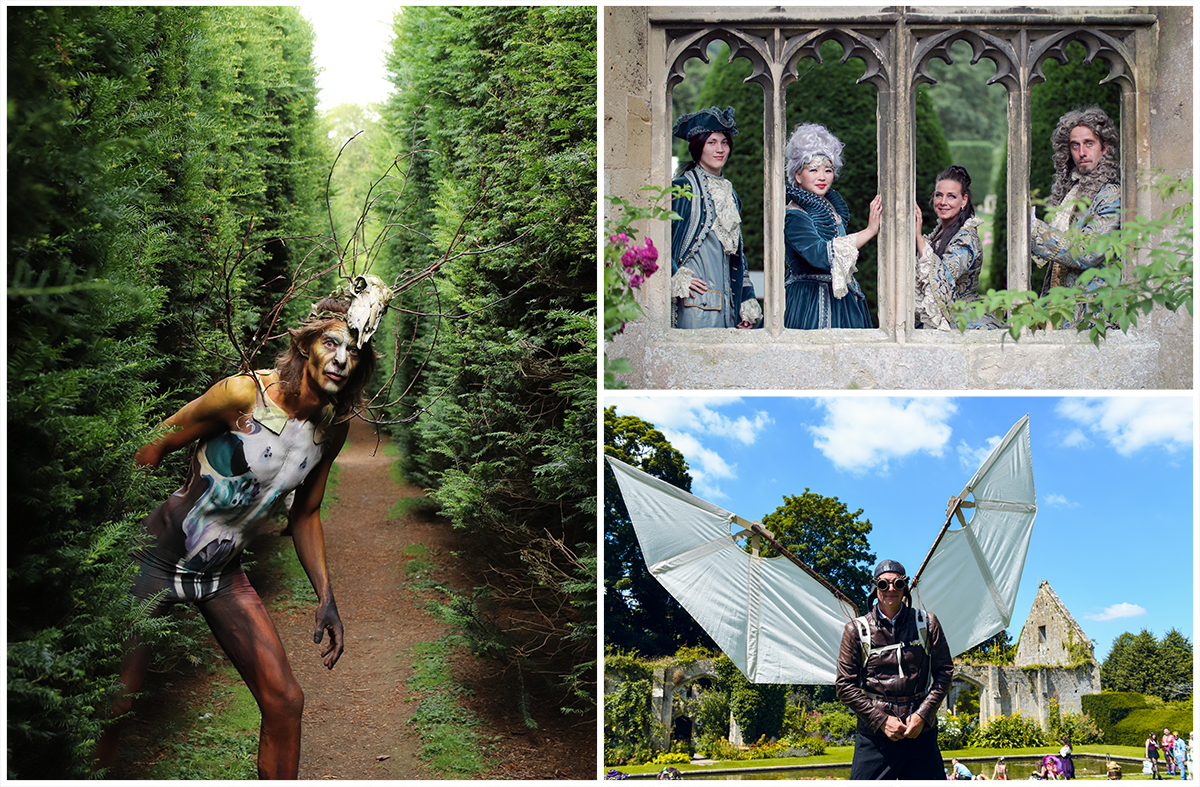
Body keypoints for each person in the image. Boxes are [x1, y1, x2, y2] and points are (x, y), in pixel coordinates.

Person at [95, 281, 390, 778]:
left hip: (223, 577)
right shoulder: (242, 394)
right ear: (304, 346)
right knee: (117, 703)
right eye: (331, 343)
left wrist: (326, 595)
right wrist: (106, 531)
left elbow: (306, 513)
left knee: (285, 701)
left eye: (354, 351)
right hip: (155, 559)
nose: (341, 358)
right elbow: (154, 444)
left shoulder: (330, 430)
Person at [835, 559, 954, 779]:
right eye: (883, 584)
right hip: (875, 737)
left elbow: (945, 672)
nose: (891, 589)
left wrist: (923, 715)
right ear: (875, 588)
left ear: (905, 588)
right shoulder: (856, 631)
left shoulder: (927, 624)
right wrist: (880, 720)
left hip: (920, 733)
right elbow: (844, 686)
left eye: (898, 584)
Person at [1029, 106, 1121, 329]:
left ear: (1105, 148)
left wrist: (1034, 229)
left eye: (1089, 144)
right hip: (1061, 306)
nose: (1081, 152)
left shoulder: (1111, 194)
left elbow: (1087, 253)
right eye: (1075, 145)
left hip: (1092, 313)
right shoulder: (1071, 190)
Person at [782, 122, 881, 329]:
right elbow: (819, 254)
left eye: (828, 170)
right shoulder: (794, 214)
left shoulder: (828, 206)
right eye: (813, 169)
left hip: (842, 300)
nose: (822, 177)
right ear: (798, 175)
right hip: (811, 303)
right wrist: (870, 231)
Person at [670, 105, 762, 330]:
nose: (720, 149)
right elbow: (656, 242)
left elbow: (737, 255)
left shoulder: (731, 195)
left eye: (724, 142)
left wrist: (745, 301)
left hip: (728, 311)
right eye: (711, 142)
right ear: (698, 147)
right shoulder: (682, 188)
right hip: (693, 308)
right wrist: (678, 275)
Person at [914, 165, 1002, 330]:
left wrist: (919, 238)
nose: (943, 202)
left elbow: (942, 278)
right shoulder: (939, 233)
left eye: (951, 196)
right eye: (938, 195)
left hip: (964, 321)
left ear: (964, 200)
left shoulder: (966, 239)